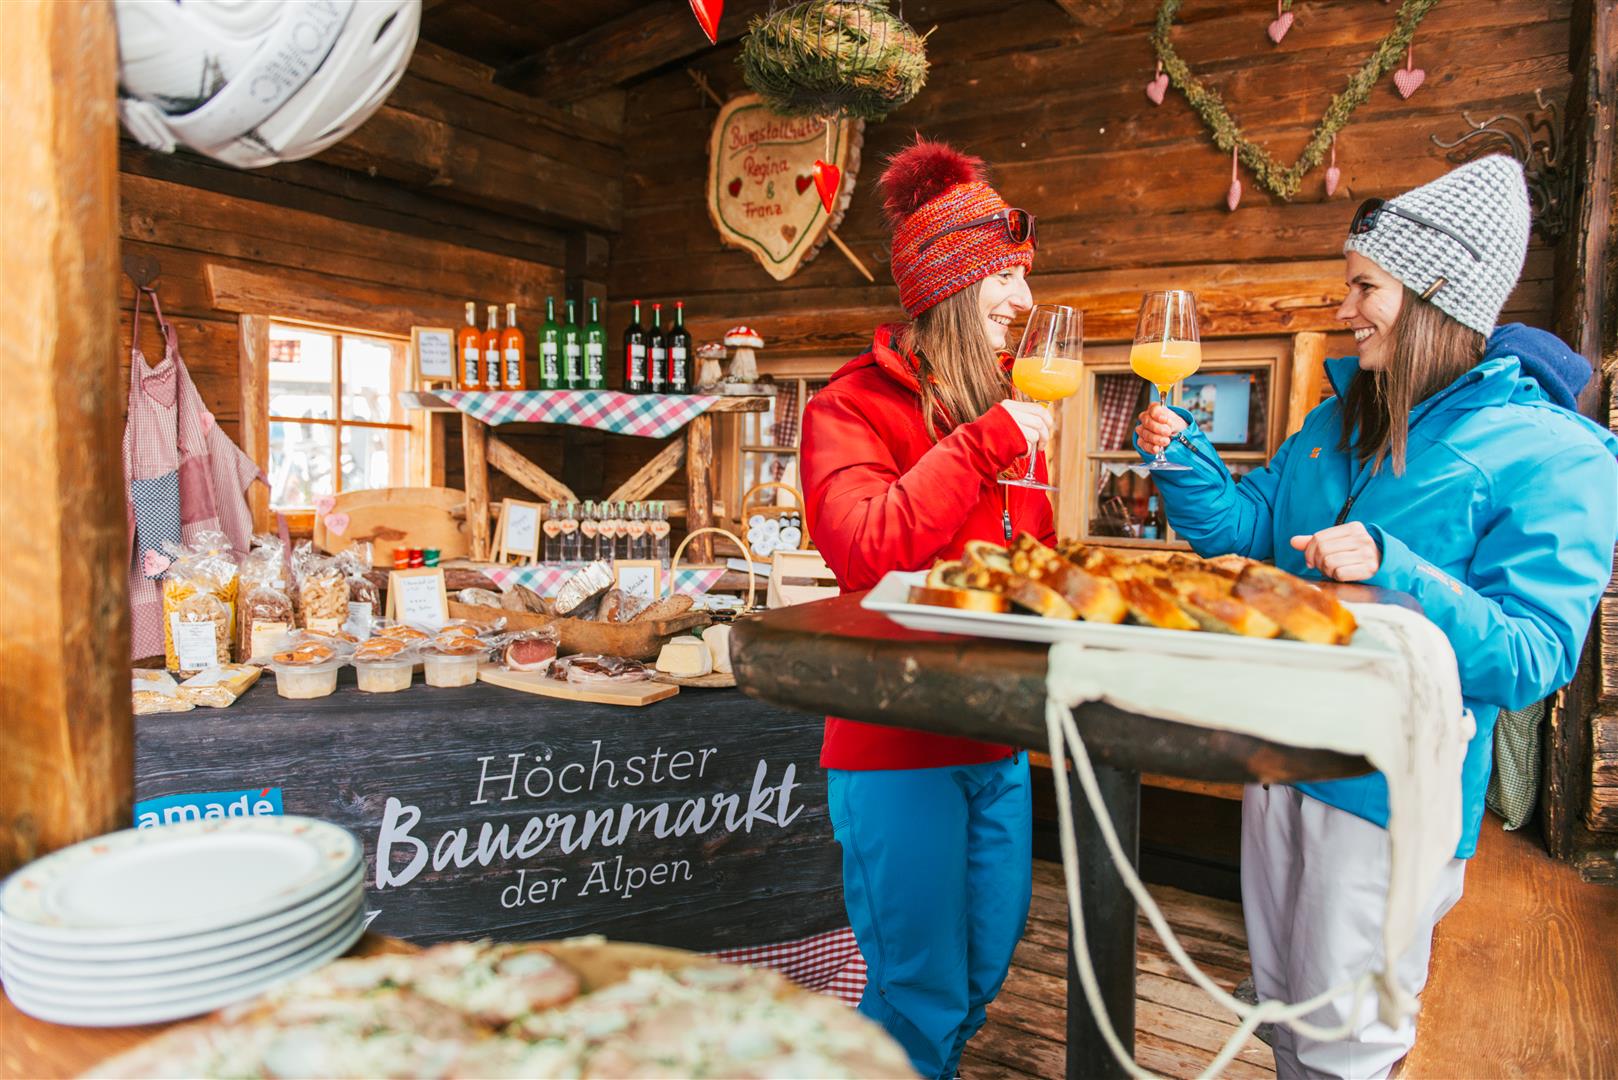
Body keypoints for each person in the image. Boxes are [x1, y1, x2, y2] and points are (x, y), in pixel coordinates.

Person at [1134, 154, 1618, 1079]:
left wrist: (1396, 571)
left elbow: (1533, 656)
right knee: (1286, 1012)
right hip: (1275, 756)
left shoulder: (1556, 454)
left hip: (1386, 793)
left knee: (1351, 1043)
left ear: (1437, 291)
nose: (1345, 307)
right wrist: (1181, 454)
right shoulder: (1341, 417)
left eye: (1365, 287)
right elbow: (1243, 525)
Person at [800, 139, 1051, 1080]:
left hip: (997, 739)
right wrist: (983, 443)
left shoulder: (1004, 408)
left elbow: (1021, 569)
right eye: (1004, 280)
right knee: (919, 989)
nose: (1025, 305)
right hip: (895, 741)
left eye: (1025, 281)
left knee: (981, 973)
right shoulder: (849, 408)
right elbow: (864, 546)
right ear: (948, 284)